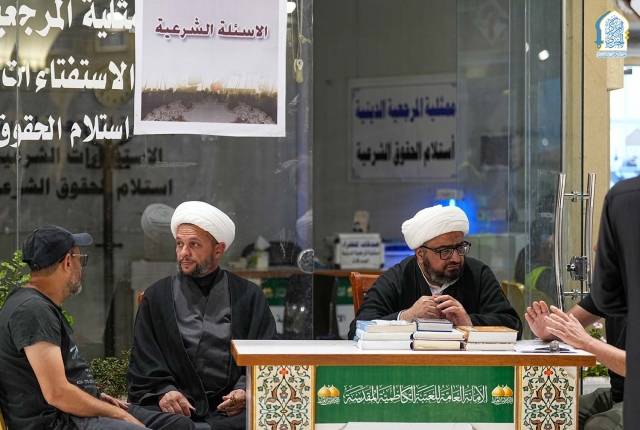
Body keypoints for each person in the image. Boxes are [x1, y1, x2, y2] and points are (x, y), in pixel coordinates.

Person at [0, 225, 194, 430]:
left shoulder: (35, 305)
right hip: (59, 423)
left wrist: (94, 397)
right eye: (80, 259)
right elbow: (57, 393)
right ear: (68, 262)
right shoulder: (33, 310)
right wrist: (118, 414)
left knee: (178, 425)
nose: (81, 267)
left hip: (73, 415)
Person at [127, 201, 278, 430]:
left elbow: (264, 353)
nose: (184, 253)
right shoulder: (156, 296)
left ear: (218, 250)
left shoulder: (248, 296)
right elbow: (144, 359)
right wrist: (164, 391)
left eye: (194, 244)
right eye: (179, 244)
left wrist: (245, 390)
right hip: (174, 409)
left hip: (230, 410)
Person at [348, 205, 522, 339]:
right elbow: (357, 329)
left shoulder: (478, 274)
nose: (456, 258)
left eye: (460, 248)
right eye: (445, 251)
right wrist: (407, 317)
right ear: (420, 254)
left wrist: (469, 322)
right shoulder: (397, 278)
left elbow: (513, 325)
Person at [525, 298, 625, 430]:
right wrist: (549, 330)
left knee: (599, 426)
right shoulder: (612, 292)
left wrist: (588, 343)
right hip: (620, 394)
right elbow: (564, 327)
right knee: (550, 411)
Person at [590, 176, 640, 428]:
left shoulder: (624, 196)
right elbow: (567, 321)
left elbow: (606, 300)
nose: (596, 249)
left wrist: (585, 342)